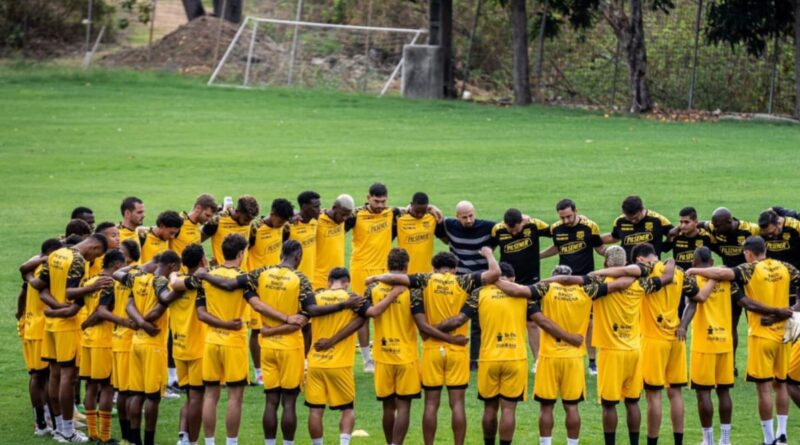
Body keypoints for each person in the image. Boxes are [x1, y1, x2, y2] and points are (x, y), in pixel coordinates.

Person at [438, 263, 595, 445]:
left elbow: (459, 319)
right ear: (512, 279)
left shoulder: (480, 293)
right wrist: (571, 337)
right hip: (516, 358)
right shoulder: (523, 296)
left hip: (489, 358)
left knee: (489, 409)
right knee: (508, 410)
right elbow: (540, 322)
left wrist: (432, 329)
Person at [367, 247, 500, 445]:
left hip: (431, 349)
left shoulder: (426, 280)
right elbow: (495, 273)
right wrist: (489, 254)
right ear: (454, 269)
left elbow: (397, 279)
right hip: (458, 350)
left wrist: (373, 278)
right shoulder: (464, 281)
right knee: (457, 404)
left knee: (431, 405)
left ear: (434, 268)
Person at [199, 239, 312, 445]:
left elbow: (221, 291)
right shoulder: (295, 279)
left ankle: (212, 442)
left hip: (236, 343)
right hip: (272, 345)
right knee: (282, 402)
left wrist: (203, 273)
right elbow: (296, 316)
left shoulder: (254, 274)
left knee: (218, 397)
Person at [687, 236, 798, 445]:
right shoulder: (784, 267)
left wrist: (695, 271)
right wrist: (790, 311)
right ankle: (780, 436)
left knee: (763, 388)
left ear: (748, 253)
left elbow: (725, 284)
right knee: (780, 385)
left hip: (757, 335)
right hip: (781, 335)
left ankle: (766, 439)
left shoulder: (748, 269)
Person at [594, 244, 688, 445]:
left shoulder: (629, 277)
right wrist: (685, 325)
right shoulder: (666, 276)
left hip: (643, 342)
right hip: (666, 341)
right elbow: (695, 296)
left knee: (640, 399)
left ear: (638, 260)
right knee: (657, 397)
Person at [32, 234, 109, 443]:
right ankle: (67, 430)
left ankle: (58, 427)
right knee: (68, 377)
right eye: (97, 254)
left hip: (51, 327)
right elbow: (71, 292)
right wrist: (91, 287)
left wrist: (55, 308)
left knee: (55, 375)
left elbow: (39, 286)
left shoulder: (56, 254)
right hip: (68, 328)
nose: (95, 258)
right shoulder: (77, 260)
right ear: (93, 247)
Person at [117, 250, 183, 445]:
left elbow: (129, 304)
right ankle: (148, 441)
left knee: (136, 394)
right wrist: (146, 322)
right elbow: (162, 304)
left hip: (136, 342)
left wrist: (138, 322)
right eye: (177, 269)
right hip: (153, 345)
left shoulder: (139, 278)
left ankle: (134, 440)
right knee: (153, 398)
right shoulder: (161, 282)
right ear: (171, 266)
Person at [305, 268, 370, 445]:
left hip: (316, 362)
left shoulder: (316, 298)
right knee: (347, 409)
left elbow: (308, 329)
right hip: (340, 364)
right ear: (347, 282)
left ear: (328, 282)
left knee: (315, 410)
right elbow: (364, 319)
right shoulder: (353, 299)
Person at [362, 248, 421, 445]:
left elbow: (363, 317)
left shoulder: (373, 288)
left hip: (382, 355)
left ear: (387, 265)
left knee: (388, 407)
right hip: (406, 355)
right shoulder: (412, 289)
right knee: (404, 406)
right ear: (406, 266)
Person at [541, 198, 605, 375]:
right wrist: (538, 256)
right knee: (561, 319)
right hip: (563, 282)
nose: (566, 221)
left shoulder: (589, 226)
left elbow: (599, 248)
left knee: (590, 323)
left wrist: (612, 257)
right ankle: (559, 356)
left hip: (585, 281)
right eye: (563, 217)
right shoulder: (556, 228)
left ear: (576, 210)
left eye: (569, 216)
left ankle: (592, 362)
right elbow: (557, 247)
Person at [75, 249, 128, 444]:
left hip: (87, 340)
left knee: (91, 386)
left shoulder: (90, 281)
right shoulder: (110, 284)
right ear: (116, 265)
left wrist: (84, 325)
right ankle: (104, 436)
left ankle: (92, 432)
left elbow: (78, 305)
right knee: (107, 387)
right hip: (104, 341)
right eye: (122, 267)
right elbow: (100, 312)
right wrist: (123, 321)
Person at [490, 208, 551, 374]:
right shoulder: (498, 230)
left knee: (532, 322)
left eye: (516, 229)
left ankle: (538, 360)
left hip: (530, 283)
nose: (514, 232)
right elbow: (488, 249)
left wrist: (542, 255)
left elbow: (558, 233)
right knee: (506, 320)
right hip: (507, 283)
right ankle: (504, 356)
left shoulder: (534, 225)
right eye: (511, 230)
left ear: (522, 222)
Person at [703, 207, 760, 374]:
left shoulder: (751, 229)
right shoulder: (714, 227)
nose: (715, 229)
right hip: (731, 282)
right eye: (714, 225)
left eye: (718, 225)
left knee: (755, 324)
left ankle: (756, 366)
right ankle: (731, 365)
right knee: (730, 325)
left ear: (729, 221)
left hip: (752, 282)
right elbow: (701, 224)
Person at [245, 197, 294, 385]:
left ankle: (275, 366)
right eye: (280, 220)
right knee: (257, 330)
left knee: (277, 324)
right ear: (272, 214)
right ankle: (259, 372)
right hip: (257, 286)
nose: (282, 224)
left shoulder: (285, 228)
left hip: (277, 284)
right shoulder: (255, 228)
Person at [442, 200, 496, 368]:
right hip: (459, 282)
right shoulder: (449, 225)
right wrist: (433, 208)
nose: (469, 220)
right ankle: (454, 354)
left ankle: (475, 360)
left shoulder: (488, 227)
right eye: (464, 217)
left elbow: (508, 229)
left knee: (478, 323)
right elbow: (434, 221)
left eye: (471, 215)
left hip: (481, 281)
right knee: (457, 319)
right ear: (457, 217)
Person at [18, 238, 64, 437]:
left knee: (40, 375)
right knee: (43, 376)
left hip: (32, 326)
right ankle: (48, 423)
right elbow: (41, 291)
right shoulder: (45, 270)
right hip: (40, 329)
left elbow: (24, 289)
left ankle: (43, 422)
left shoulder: (34, 266)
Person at [167, 244, 208, 445]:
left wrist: (174, 276)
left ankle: (183, 437)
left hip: (179, 348)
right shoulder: (201, 284)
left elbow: (174, 282)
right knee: (197, 399)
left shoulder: (175, 281)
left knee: (190, 397)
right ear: (202, 261)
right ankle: (192, 442)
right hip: (198, 349)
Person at [111, 239, 141, 444]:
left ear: (129, 256)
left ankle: (125, 437)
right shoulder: (139, 278)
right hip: (130, 339)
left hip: (117, 338)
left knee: (122, 391)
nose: (117, 253)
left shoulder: (117, 278)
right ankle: (132, 438)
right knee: (131, 392)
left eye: (121, 251)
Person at [602, 195, 673, 261]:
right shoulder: (620, 221)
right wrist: (595, 240)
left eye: (635, 218)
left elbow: (674, 235)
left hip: (650, 267)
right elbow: (614, 237)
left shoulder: (658, 220)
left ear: (642, 210)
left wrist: (663, 247)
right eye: (629, 219)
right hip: (627, 268)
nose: (633, 221)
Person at [396, 192, 447, 274]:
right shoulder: (400, 219)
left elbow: (446, 241)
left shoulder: (432, 218)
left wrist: (440, 223)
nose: (420, 215)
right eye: (417, 211)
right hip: (406, 273)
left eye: (423, 212)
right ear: (412, 205)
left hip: (427, 273)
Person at [202, 195, 259, 266]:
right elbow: (198, 239)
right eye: (246, 220)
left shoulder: (251, 226)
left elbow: (250, 246)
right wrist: (205, 261)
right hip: (221, 274)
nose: (248, 223)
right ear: (238, 212)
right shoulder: (218, 221)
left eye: (251, 220)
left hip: (242, 274)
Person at [314, 194, 355, 291]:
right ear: (334, 208)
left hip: (338, 281)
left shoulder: (341, 220)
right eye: (343, 214)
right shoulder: (317, 221)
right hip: (319, 280)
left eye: (348, 215)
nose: (345, 218)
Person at [665, 207, 714, 272]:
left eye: (686, 222)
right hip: (680, 277)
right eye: (681, 222)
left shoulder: (706, 237)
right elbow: (664, 249)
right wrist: (669, 236)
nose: (682, 226)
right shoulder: (676, 236)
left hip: (700, 277)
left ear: (696, 222)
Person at [290, 191, 321, 279]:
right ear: (304, 206)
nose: (319, 209)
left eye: (319, 206)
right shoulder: (291, 226)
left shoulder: (315, 222)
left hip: (311, 278)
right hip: (294, 278)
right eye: (316, 207)